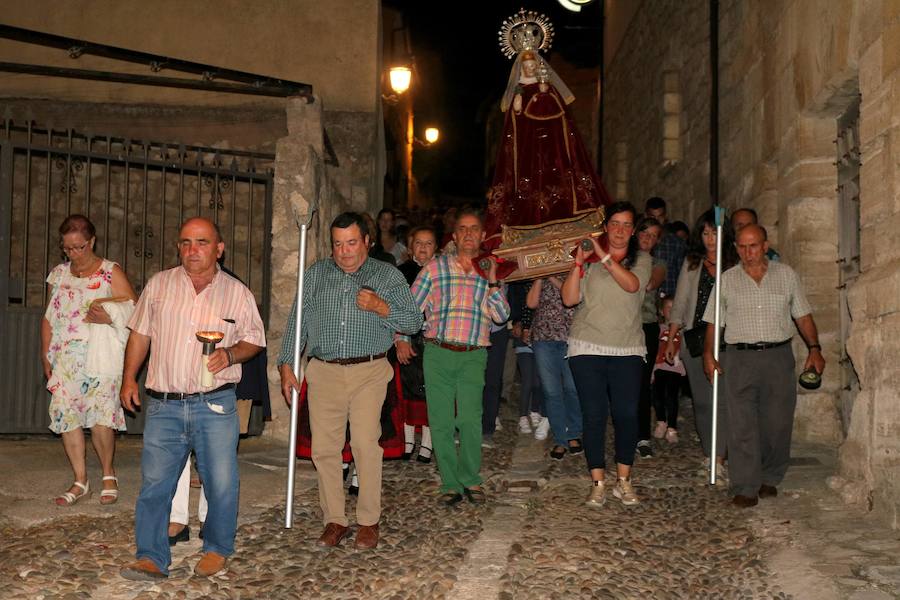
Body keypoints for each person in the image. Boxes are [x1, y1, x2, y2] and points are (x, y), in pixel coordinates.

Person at [119, 217, 265, 580]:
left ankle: (216, 548)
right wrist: (127, 379)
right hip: (165, 403)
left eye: (201, 242)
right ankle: (151, 556)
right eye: (185, 242)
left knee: (221, 481)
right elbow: (140, 335)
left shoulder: (237, 292)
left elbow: (255, 339)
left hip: (214, 404)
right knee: (155, 484)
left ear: (219, 248)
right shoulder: (159, 285)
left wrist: (230, 354)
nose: (192, 250)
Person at [278, 212, 422, 549]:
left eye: (351, 243)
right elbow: (297, 320)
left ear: (367, 242)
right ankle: (335, 520)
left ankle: (368, 521)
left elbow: (414, 321)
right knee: (325, 450)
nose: (344, 251)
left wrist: (382, 308)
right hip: (324, 370)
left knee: (363, 443)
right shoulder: (315, 275)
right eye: (338, 244)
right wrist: (287, 363)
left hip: (369, 371)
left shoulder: (386, 275)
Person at [703, 224, 825, 508]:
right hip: (739, 357)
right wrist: (709, 355)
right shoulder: (727, 280)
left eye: (753, 246)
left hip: (777, 357)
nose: (748, 252)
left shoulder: (786, 276)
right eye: (742, 247)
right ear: (735, 249)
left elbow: (803, 315)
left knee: (777, 421)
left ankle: (770, 475)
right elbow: (713, 322)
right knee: (741, 423)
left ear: (765, 245)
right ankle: (746, 485)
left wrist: (815, 349)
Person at [408, 209, 510, 506]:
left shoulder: (491, 272)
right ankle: (450, 484)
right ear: (454, 236)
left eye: (473, 229)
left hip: (473, 355)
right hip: (438, 352)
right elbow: (411, 308)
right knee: (440, 421)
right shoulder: (436, 268)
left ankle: (471, 479)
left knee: (469, 419)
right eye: (462, 229)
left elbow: (503, 318)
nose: (467, 234)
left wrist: (492, 282)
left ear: (481, 235)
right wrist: (402, 338)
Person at [41, 214, 138, 507]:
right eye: (68, 248)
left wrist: (110, 316)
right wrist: (46, 355)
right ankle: (80, 479)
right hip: (65, 359)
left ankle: (109, 474)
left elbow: (133, 310)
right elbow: (48, 317)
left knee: (100, 419)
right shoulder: (57, 275)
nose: (73, 253)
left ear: (91, 241)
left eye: (79, 247)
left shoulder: (110, 272)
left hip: (100, 357)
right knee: (67, 418)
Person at [563, 201, 651, 507]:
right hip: (587, 345)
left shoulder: (642, 260)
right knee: (595, 414)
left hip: (627, 346)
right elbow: (570, 298)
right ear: (606, 226)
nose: (620, 231)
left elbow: (631, 286)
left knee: (627, 414)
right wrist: (578, 263)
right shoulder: (588, 263)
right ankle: (598, 481)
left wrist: (602, 257)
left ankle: (623, 480)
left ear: (633, 230)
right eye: (615, 223)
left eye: (627, 225)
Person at [484, 46, 610, 249]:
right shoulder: (519, 90)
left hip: (552, 146)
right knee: (529, 183)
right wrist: (519, 102)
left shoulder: (549, 87)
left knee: (558, 179)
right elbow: (514, 120)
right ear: (521, 68)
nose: (530, 69)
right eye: (526, 66)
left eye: (533, 65)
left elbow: (562, 117)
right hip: (528, 148)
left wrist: (544, 94)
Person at [665, 209, 738, 480]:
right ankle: (711, 454)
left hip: (729, 339)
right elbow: (681, 300)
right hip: (695, 338)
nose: (710, 239)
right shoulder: (693, 262)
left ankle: (722, 453)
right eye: (705, 233)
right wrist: (673, 338)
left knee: (725, 400)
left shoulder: (734, 262)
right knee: (704, 401)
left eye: (715, 233)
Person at [526, 275, 582, 460]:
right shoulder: (540, 275)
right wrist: (539, 279)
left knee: (572, 389)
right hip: (543, 338)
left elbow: (573, 298)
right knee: (551, 392)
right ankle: (560, 439)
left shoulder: (575, 271)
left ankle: (573, 433)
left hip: (570, 336)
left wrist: (551, 276)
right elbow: (531, 303)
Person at [396, 226, 439, 463]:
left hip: (434, 340)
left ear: (436, 247)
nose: (423, 248)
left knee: (431, 391)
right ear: (411, 246)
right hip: (410, 338)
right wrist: (400, 339)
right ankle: (408, 439)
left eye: (428, 243)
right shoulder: (401, 273)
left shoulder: (442, 272)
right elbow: (396, 308)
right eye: (418, 243)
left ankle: (428, 443)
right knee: (408, 389)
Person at [634, 217, 667, 459]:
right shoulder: (623, 258)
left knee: (643, 383)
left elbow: (648, 284)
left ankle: (642, 436)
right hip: (622, 326)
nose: (648, 238)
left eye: (654, 235)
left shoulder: (658, 263)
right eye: (645, 232)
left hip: (646, 327)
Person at [508, 281, 549, 440]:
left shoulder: (546, 285)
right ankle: (523, 416)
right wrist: (524, 327)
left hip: (541, 337)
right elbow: (523, 307)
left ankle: (534, 410)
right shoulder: (524, 284)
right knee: (527, 380)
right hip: (524, 338)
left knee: (538, 380)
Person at [652, 298, 685, 443]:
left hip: (675, 368)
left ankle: (672, 428)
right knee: (657, 396)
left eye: (674, 308)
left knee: (672, 397)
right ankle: (661, 421)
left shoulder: (682, 331)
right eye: (668, 307)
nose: (671, 311)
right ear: (661, 311)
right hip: (660, 367)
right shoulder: (658, 329)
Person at [644, 197, 686, 298]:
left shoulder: (677, 243)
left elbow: (683, 277)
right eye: (652, 217)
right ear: (646, 216)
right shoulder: (638, 241)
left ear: (665, 217)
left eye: (660, 217)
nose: (656, 220)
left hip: (669, 301)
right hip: (644, 301)